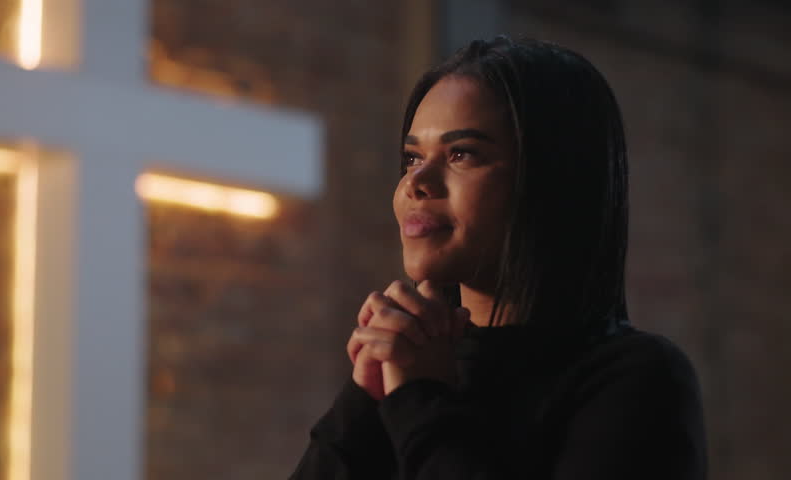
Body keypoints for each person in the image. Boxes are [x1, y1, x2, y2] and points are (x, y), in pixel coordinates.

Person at [289, 36, 707, 480]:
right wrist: (363, 402)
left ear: (550, 179)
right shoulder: (413, 362)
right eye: (412, 158)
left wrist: (419, 399)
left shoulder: (637, 380)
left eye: (461, 154)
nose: (417, 182)